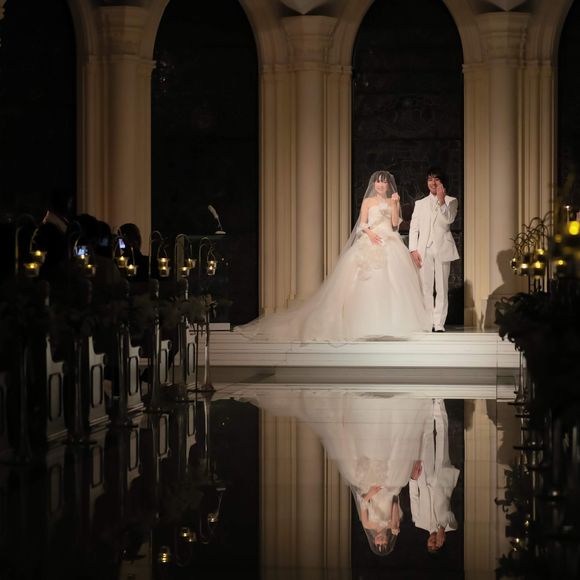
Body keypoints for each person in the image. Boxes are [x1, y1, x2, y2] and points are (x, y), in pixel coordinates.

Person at [237, 170, 431, 341]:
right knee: (366, 282)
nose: (381, 185)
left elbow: (395, 224)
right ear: (374, 184)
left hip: (389, 242)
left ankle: (389, 325)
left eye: (384, 182)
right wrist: (370, 233)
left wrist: (396, 203)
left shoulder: (391, 201)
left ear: (388, 185)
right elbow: (362, 224)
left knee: (392, 284)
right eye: (378, 182)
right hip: (371, 241)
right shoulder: (368, 202)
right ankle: (364, 325)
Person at [408, 167, 459, 332]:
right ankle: (427, 322)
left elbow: (448, 220)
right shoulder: (420, 203)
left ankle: (439, 323)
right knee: (426, 287)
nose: (433, 182)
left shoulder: (451, 201)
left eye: (436, 179)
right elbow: (414, 228)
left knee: (442, 287)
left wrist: (442, 201)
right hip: (424, 249)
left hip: (443, 247)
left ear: (442, 182)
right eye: (430, 179)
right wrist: (413, 249)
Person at [409, 399, 460, 555]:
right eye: (436, 546)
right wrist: (441, 529)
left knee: (426, 440)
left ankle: (427, 405)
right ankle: (438, 402)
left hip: (424, 479)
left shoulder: (419, 522)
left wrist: (413, 479)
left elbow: (414, 498)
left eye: (430, 546)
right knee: (442, 437)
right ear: (441, 543)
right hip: (441, 481)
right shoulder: (451, 525)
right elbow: (449, 514)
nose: (432, 544)